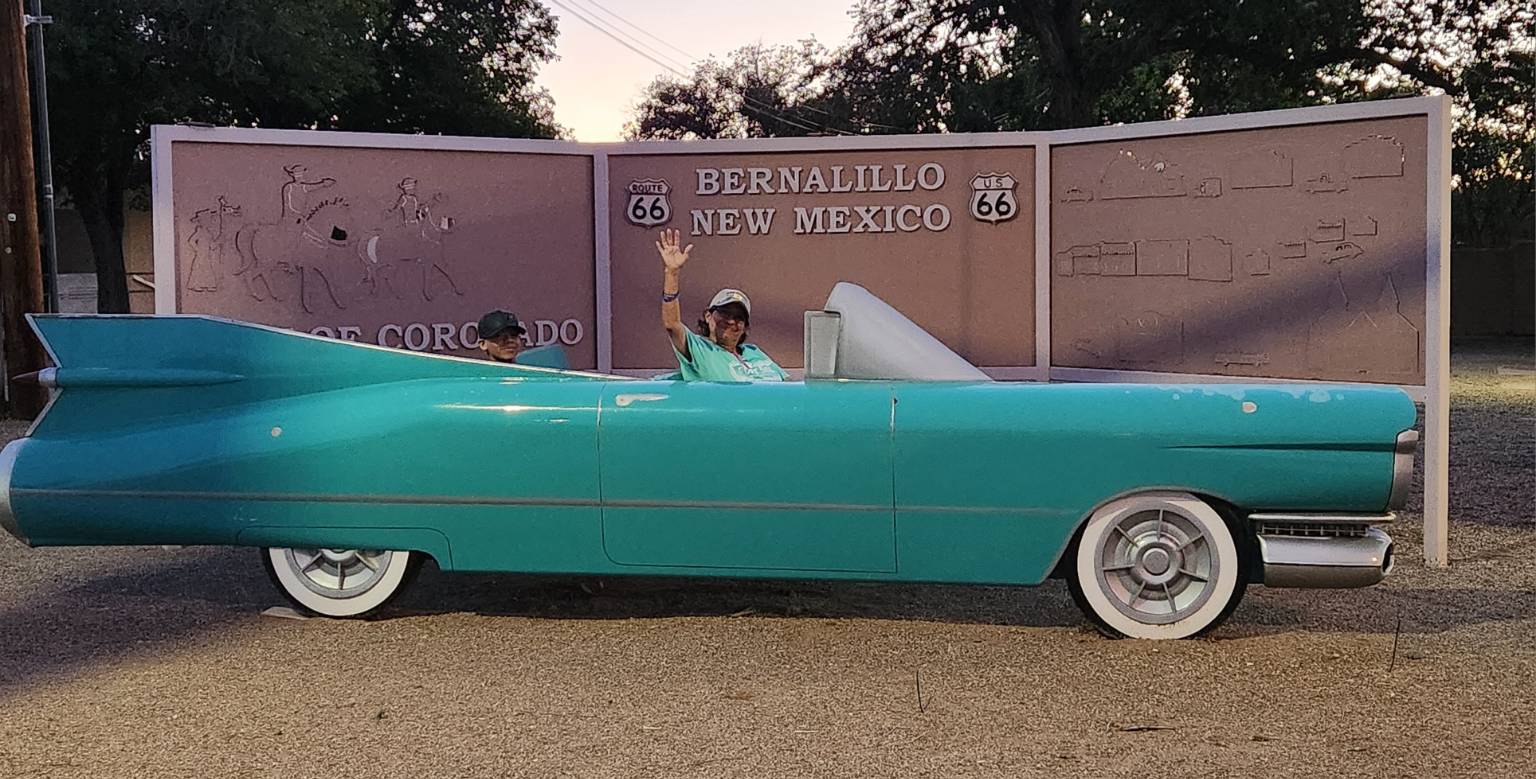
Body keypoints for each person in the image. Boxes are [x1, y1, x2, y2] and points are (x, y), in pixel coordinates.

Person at [656, 229, 788, 382]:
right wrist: (671, 273)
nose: (731, 321)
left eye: (739, 317)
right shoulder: (699, 349)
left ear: (745, 327)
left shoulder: (753, 351)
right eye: (725, 313)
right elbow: (672, 324)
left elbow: (787, 384)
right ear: (708, 316)